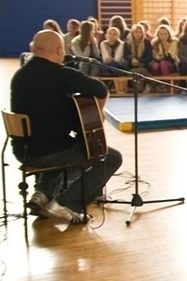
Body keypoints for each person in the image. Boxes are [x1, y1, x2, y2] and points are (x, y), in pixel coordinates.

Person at [10, 30, 123, 223]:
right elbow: (100, 89)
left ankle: (42, 195)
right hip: (51, 152)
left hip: (23, 150)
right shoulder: (62, 75)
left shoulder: (20, 75)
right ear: (59, 49)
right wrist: (98, 114)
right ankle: (66, 204)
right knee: (110, 157)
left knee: (62, 144)